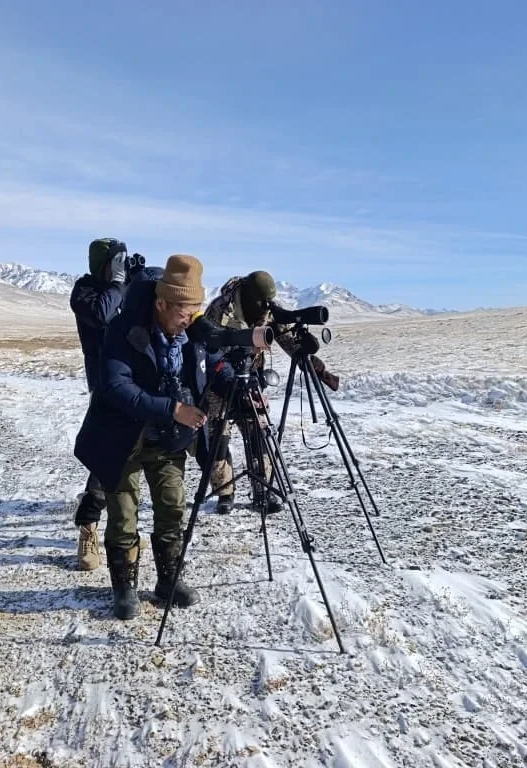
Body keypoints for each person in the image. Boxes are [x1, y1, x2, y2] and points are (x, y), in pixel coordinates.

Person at [73, 254, 234, 620]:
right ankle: (124, 588)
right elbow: (115, 386)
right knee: (123, 514)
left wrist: (236, 380)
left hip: (167, 439)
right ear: (161, 303)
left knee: (172, 507)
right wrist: (173, 409)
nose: (190, 319)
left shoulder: (191, 332)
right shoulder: (123, 328)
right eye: (183, 311)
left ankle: (168, 580)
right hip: (122, 437)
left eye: (194, 311)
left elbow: (215, 362)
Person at [203, 270, 340, 515]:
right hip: (220, 379)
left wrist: (312, 362)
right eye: (261, 303)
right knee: (218, 435)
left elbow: (285, 337)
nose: (265, 309)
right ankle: (224, 492)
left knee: (259, 430)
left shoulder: (266, 309)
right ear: (249, 297)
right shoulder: (220, 310)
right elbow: (209, 349)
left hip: (251, 378)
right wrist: (228, 379)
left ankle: (263, 488)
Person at [68, 238, 161, 571]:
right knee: (107, 456)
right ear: (102, 265)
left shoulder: (122, 288)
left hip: (134, 383)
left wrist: (140, 280)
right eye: (115, 262)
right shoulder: (85, 291)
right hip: (106, 387)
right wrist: (119, 282)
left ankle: (126, 530)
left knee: (137, 460)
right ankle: (88, 526)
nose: (119, 269)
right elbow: (102, 313)